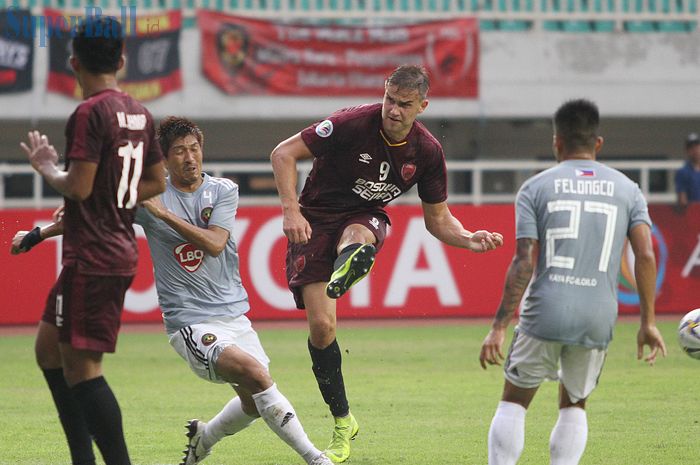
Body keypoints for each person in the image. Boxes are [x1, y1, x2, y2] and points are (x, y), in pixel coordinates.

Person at [270, 64, 504, 463]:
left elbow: (439, 221)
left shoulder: (427, 152)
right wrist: (291, 212)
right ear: (384, 92)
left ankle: (351, 259)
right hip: (315, 217)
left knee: (362, 233)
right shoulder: (350, 124)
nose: (393, 110)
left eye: (404, 105)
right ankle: (344, 419)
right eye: (390, 100)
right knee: (322, 327)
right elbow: (283, 153)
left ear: (422, 106)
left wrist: (467, 239)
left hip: (365, 214)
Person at [10, 17, 165, 465]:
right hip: (106, 249)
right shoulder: (139, 111)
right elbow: (155, 180)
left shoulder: (89, 112)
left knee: (84, 369)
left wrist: (45, 166)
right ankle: (83, 457)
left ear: (73, 62)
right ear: (121, 59)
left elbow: (75, 186)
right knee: (47, 350)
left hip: (95, 256)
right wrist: (109, 196)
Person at [479, 99, 667, 465]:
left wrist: (499, 326)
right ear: (598, 143)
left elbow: (523, 261)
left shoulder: (535, 188)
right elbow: (645, 256)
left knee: (514, 400)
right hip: (597, 315)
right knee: (575, 404)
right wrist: (648, 322)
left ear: (556, 142)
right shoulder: (628, 190)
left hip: (545, 311)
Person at [134, 117, 332, 465]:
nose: (189, 157)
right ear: (164, 159)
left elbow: (214, 243)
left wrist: (164, 215)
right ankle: (315, 458)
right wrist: (41, 233)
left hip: (234, 316)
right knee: (258, 377)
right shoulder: (150, 195)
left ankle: (203, 439)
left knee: (254, 403)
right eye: (179, 151)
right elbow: (95, 212)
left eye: (194, 148)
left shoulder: (222, 190)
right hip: (190, 322)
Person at [674, 132, 700, 211]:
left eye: (697, 147)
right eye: (691, 148)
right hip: (693, 213)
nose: (695, 150)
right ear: (687, 151)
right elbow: (682, 199)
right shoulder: (683, 172)